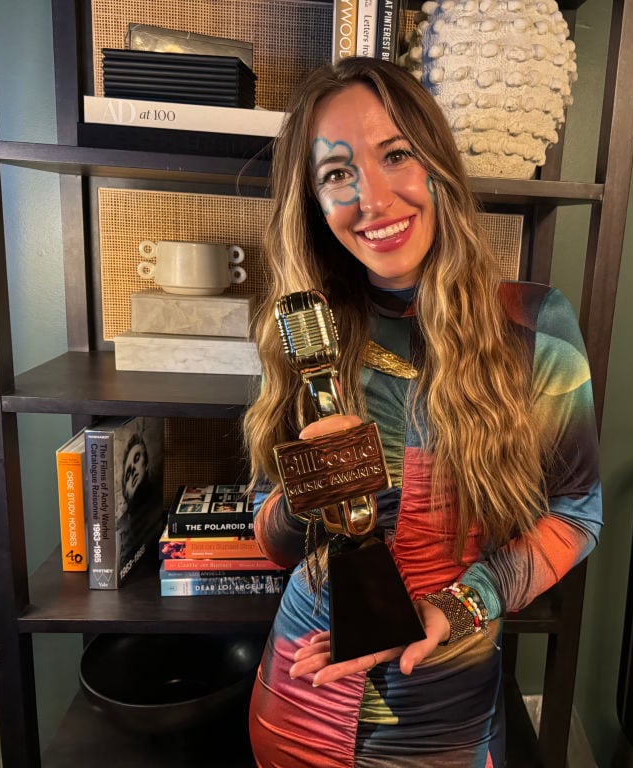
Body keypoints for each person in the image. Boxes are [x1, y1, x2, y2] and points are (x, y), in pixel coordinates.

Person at [242, 56, 602, 767]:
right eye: (337, 174)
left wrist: (457, 606)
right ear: (313, 203)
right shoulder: (301, 330)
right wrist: (307, 487)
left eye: (395, 155)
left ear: (437, 165)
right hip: (302, 690)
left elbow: (576, 512)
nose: (371, 198)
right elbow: (275, 543)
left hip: (444, 707)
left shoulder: (534, 329)